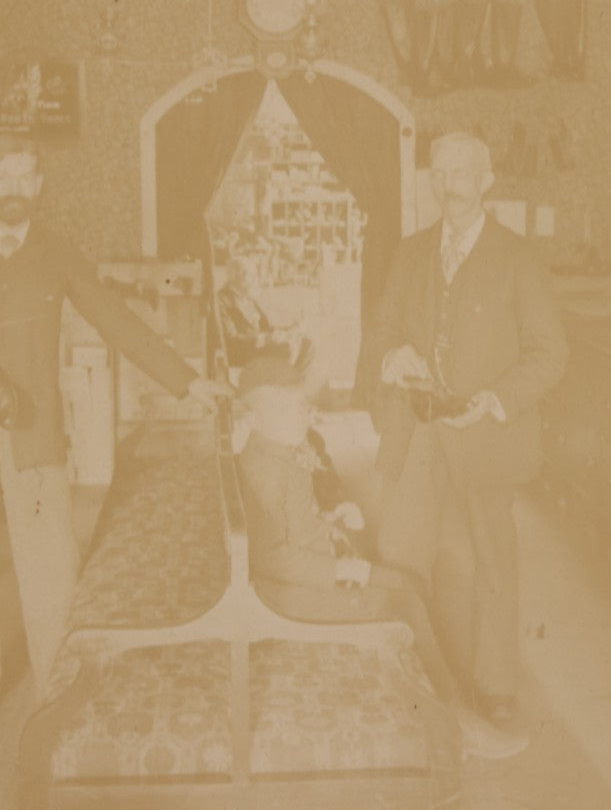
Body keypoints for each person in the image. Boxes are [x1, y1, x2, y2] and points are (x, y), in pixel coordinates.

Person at [0, 133, 232, 728]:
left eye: (25, 176)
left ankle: (55, 688)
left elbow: (117, 320)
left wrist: (188, 382)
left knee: (51, 568)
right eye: (3, 176)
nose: (14, 188)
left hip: (33, 431)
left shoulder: (58, 252)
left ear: (39, 185)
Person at [365, 132, 569, 728]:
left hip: (486, 438)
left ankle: (494, 685)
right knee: (403, 552)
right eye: (439, 174)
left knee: (490, 560)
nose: (447, 185)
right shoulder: (410, 253)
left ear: (486, 181)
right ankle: (416, 676)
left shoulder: (517, 258)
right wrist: (395, 355)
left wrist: (495, 399)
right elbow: (381, 331)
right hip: (419, 434)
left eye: (460, 173)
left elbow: (550, 353)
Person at [233, 357, 527, 760]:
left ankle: (451, 705)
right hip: (286, 594)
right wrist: (342, 567)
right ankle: (456, 723)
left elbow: (291, 528)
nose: (307, 413)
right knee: (403, 603)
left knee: (409, 585)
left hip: (302, 578)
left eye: (304, 404)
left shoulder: (277, 451)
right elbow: (272, 559)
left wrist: (329, 521)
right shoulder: (267, 471)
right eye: (295, 407)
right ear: (259, 416)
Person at [218, 253, 311, 370]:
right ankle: (284, 378)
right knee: (286, 348)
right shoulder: (222, 300)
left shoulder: (247, 296)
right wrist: (264, 339)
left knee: (307, 345)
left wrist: (289, 329)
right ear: (238, 277)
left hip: (259, 347)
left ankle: (295, 379)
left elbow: (266, 328)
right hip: (244, 352)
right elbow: (231, 340)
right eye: (253, 276)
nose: (256, 280)